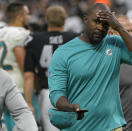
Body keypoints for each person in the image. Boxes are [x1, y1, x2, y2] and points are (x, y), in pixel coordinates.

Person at [48, 3, 132, 131]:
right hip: (78, 127)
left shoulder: (114, 44)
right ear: (85, 20)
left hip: (111, 126)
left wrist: (119, 27)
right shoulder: (64, 53)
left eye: (105, 24)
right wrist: (69, 106)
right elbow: (56, 94)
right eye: (96, 21)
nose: (100, 27)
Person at [24, 5, 78, 131]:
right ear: (64, 19)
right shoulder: (76, 38)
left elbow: (29, 76)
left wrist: (29, 102)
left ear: (47, 19)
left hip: (47, 92)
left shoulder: (34, 39)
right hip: (72, 92)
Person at [0, 2, 31, 130]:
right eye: (27, 14)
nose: (29, 17)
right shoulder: (21, 34)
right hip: (17, 86)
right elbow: (25, 66)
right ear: (20, 16)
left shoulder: (1, 31)